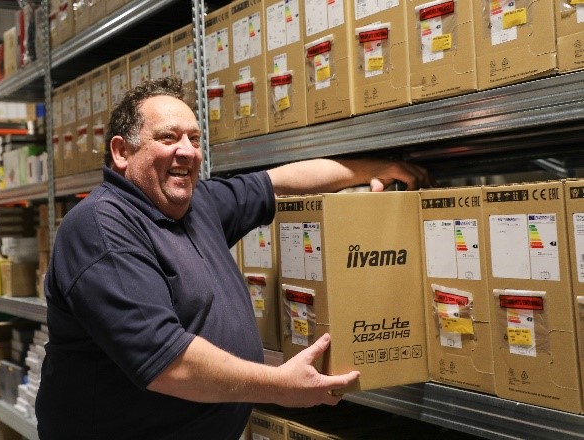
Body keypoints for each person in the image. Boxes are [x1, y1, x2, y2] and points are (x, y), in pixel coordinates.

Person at [35, 77, 431, 439]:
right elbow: (167, 362)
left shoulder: (197, 204)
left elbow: (278, 182)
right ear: (122, 152)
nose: (187, 151)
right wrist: (280, 386)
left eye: (194, 138)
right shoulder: (101, 227)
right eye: (168, 137)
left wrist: (374, 169)